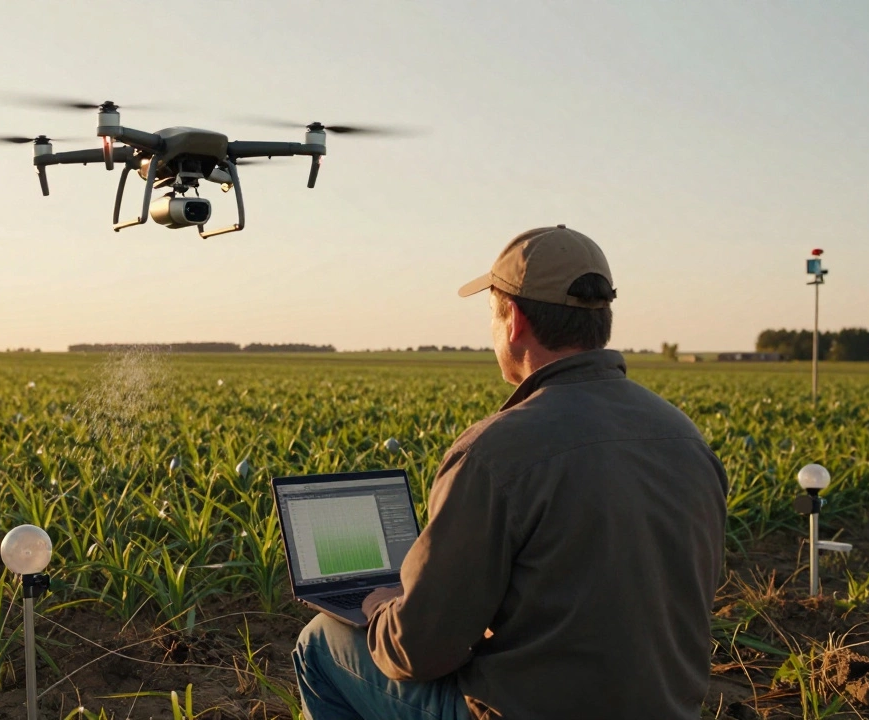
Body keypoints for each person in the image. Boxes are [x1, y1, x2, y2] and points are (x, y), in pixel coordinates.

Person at [292, 225, 728, 719]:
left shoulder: (493, 454)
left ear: (514, 320)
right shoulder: (685, 438)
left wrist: (380, 610)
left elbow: (418, 652)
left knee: (321, 643)